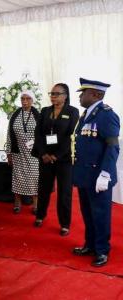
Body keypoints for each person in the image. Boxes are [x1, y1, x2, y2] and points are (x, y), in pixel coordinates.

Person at [72, 78, 120, 267]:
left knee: (100, 214)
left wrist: (106, 174)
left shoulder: (106, 115)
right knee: (88, 213)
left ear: (96, 95)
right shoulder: (85, 115)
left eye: (83, 93)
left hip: (99, 176)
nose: (80, 96)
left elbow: (113, 147)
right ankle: (90, 245)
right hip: (85, 175)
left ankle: (102, 251)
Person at [32, 83, 79, 236]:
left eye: (56, 93)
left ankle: (64, 224)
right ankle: (40, 215)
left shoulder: (72, 112)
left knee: (64, 192)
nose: (53, 96)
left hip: (63, 159)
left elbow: (71, 136)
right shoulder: (45, 111)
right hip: (45, 158)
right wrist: (44, 153)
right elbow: (38, 135)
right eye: (51, 93)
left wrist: (56, 155)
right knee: (43, 188)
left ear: (65, 95)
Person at [6, 90, 40, 214]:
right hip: (18, 152)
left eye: (27, 99)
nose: (25, 101)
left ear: (32, 100)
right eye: (22, 99)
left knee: (34, 177)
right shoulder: (14, 115)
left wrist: (33, 145)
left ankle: (36, 204)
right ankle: (17, 202)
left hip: (33, 153)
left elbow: (41, 134)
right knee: (18, 178)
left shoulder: (38, 115)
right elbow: (9, 135)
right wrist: (9, 153)